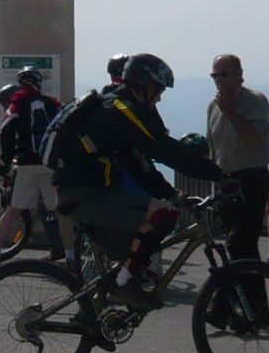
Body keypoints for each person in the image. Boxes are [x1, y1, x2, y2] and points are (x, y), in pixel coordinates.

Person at [51, 53, 225, 293]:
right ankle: (124, 284)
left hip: (89, 191)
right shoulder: (121, 111)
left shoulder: (116, 107)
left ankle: (110, 295)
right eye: (159, 90)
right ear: (144, 85)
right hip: (85, 194)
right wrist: (219, 175)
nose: (160, 97)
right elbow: (163, 149)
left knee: (152, 226)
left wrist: (171, 194)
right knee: (161, 215)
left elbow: (138, 165)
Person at [205, 53, 269, 314]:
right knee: (242, 250)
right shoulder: (213, 107)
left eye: (224, 75)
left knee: (238, 244)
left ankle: (220, 307)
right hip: (227, 182)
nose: (218, 80)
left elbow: (254, 140)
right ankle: (253, 309)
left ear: (239, 75)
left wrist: (230, 111)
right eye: (215, 75)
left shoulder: (255, 101)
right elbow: (213, 147)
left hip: (251, 179)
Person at [0, 68, 65, 259]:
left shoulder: (17, 105)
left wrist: (6, 162)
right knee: (59, 211)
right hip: (50, 163)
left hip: (26, 164)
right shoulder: (52, 103)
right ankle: (71, 255)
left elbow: (5, 133)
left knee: (12, 211)